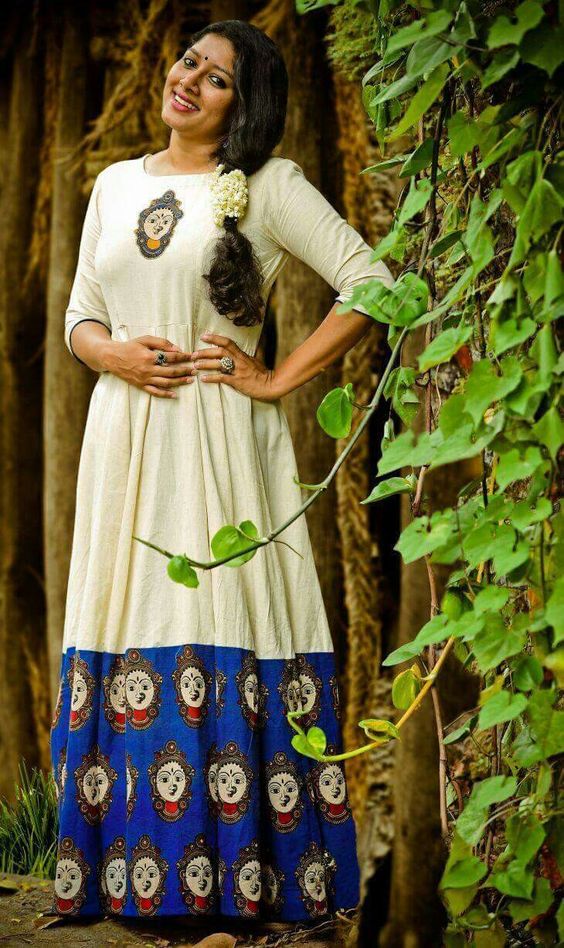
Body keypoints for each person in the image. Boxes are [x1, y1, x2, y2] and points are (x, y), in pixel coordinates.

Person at [49, 18, 393, 926]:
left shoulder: (270, 186)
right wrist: (112, 355)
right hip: (124, 443)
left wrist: (275, 378)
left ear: (246, 106)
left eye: (217, 79)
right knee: (124, 614)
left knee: (218, 614)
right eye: (189, 62)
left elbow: (372, 283)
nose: (189, 80)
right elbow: (81, 315)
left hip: (220, 447)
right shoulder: (116, 184)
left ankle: (242, 882)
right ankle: (121, 875)